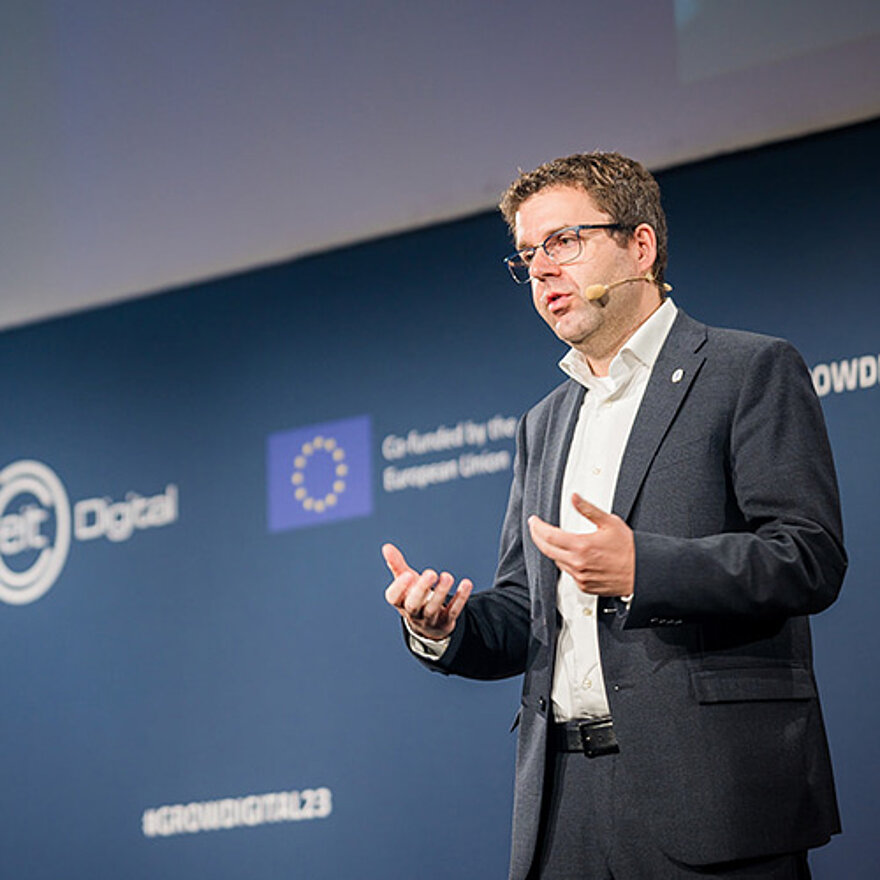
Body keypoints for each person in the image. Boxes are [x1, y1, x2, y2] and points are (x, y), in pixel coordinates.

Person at [383, 152, 846, 880]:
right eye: (527, 255)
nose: (541, 269)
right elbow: (526, 613)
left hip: (712, 794)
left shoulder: (746, 370)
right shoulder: (543, 422)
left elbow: (807, 555)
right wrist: (443, 627)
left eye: (563, 241)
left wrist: (643, 568)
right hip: (562, 806)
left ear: (640, 246)